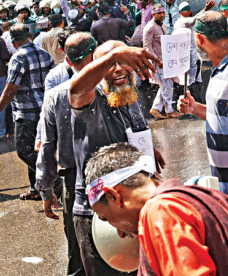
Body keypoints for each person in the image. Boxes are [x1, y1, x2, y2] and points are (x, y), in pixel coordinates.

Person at [84, 143, 228, 275]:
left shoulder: (161, 211)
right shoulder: (213, 198)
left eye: (106, 218)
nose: (120, 234)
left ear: (114, 196)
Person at [68, 40, 164, 275]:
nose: (118, 69)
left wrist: (147, 151)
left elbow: (132, 132)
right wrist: (114, 56)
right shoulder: (92, 98)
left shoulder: (129, 93)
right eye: (111, 64)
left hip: (135, 209)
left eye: (124, 62)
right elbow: (76, 91)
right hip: (100, 214)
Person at [177, 11, 228, 196]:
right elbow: (224, 116)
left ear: (200, 38)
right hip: (225, 182)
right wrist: (194, 108)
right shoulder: (219, 69)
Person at [34, 32, 96, 276]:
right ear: (96, 54)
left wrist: (46, 190)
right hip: (111, 177)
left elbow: (47, 147)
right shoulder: (110, 85)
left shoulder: (55, 96)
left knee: (78, 249)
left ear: (68, 60)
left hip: (74, 181)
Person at [0, 24, 55, 200]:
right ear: (29, 36)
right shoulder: (44, 54)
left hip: (27, 112)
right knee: (36, 149)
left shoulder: (18, 57)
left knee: (24, 151)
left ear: (13, 42)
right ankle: (36, 189)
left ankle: (53, 180)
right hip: (44, 108)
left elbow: (10, 89)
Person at [143, 4, 177, 119]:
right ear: (153, 14)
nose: (162, 15)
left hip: (165, 60)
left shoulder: (163, 25)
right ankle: (169, 111)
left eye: (163, 13)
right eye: (159, 13)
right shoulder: (149, 27)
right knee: (166, 86)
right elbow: (147, 47)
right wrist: (157, 61)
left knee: (166, 85)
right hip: (158, 62)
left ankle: (156, 109)